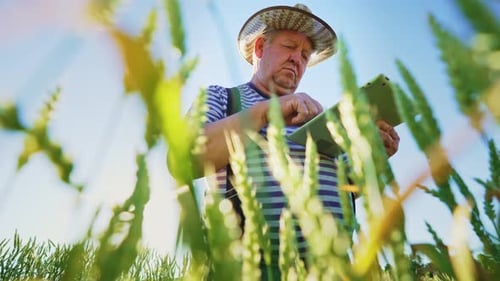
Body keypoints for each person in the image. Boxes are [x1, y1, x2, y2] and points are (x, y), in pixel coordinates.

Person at [195, 3, 400, 278]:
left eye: (305, 55)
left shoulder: (320, 117)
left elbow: (345, 189)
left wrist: (372, 157)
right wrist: (268, 111)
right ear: (259, 48)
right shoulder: (222, 98)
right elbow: (186, 158)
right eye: (290, 46)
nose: (298, 59)